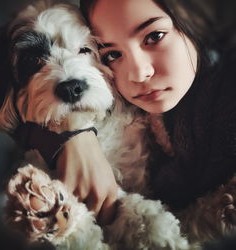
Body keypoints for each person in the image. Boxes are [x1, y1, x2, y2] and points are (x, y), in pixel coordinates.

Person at [14, 0, 236, 226]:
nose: (139, 73)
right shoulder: (129, 111)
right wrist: (73, 137)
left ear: (194, 21)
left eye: (154, 36)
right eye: (112, 55)